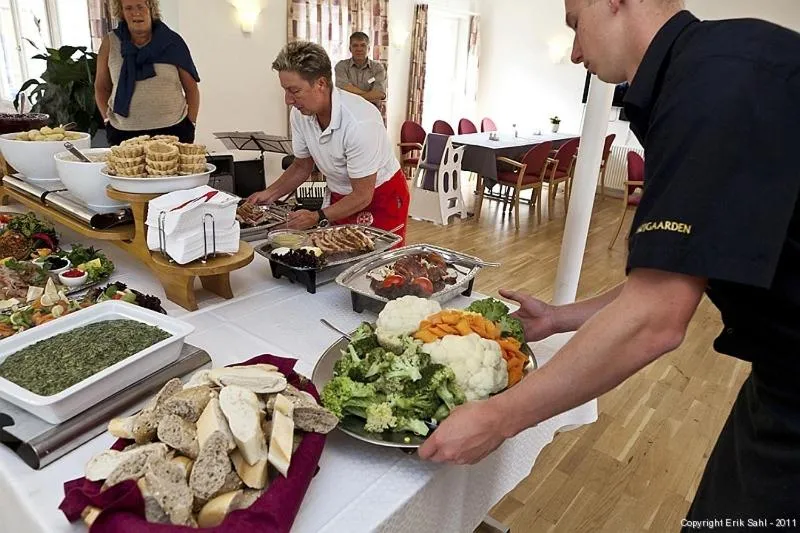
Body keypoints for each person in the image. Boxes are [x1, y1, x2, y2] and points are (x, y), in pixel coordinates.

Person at [419, 0, 800, 528]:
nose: (574, 50)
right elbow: (676, 274)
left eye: (576, 23)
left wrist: (499, 417)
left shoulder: (716, 82)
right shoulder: (713, 66)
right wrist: (559, 317)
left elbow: (656, 320)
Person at [247, 41, 409, 243]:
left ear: (321, 84)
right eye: (285, 90)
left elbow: (362, 195)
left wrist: (317, 216)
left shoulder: (360, 122)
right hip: (342, 194)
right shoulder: (300, 114)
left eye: (294, 91)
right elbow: (301, 166)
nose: (288, 100)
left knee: (376, 268)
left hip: (380, 197)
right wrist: (269, 194)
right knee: (337, 254)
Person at [95, 0, 200, 146]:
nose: (135, 13)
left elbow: (191, 88)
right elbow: (101, 87)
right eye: (128, 8)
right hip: (123, 133)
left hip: (174, 130)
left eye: (140, 6)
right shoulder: (110, 43)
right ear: (122, 13)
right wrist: (107, 121)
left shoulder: (172, 42)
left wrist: (191, 123)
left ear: (151, 8)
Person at [334, 32, 387, 108]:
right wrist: (370, 95)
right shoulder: (341, 66)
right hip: (347, 111)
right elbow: (343, 88)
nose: (359, 49)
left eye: (363, 45)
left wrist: (353, 97)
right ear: (350, 49)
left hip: (371, 112)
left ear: (368, 49)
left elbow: (379, 94)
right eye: (355, 45)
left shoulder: (378, 68)